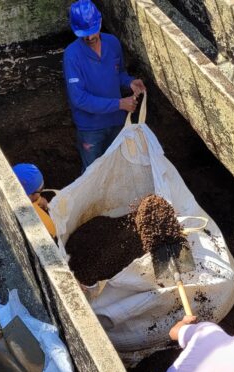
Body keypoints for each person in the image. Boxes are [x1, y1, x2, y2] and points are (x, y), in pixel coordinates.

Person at [63, 0, 146, 172]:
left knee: (117, 167)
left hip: (117, 122)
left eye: (93, 31)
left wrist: (129, 82)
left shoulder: (113, 43)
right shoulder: (72, 55)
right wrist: (119, 104)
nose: (90, 37)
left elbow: (119, 73)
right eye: (84, 34)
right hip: (91, 128)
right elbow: (79, 99)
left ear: (100, 23)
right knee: (92, 174)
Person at [13, 163, 57, 238]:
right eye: (40, 190)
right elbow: (52, 235)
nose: (40, 194)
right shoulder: (46, 224)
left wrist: (38, 200)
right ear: (29, 195)